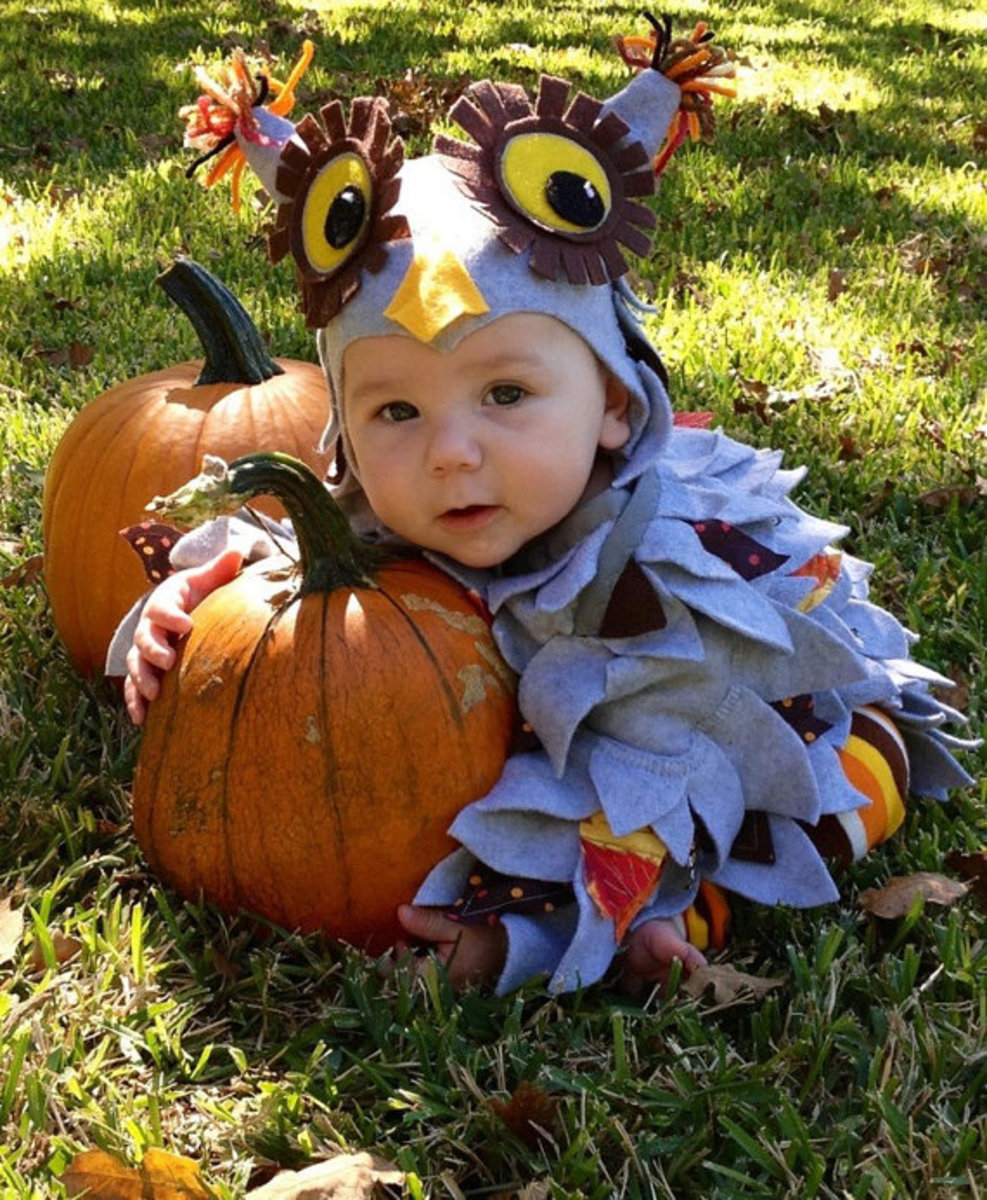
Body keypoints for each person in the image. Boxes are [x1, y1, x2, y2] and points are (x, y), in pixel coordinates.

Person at [112, 19, 976, 996]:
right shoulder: (399, 498)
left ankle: (692, 910)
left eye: (506, 395)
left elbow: (663, 767)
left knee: (829, 785)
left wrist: (535, 926)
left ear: (611, 403)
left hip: (746, 699)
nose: (450, 452)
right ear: (347, 434)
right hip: (623, 719)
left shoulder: (642, 577)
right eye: (395, 409)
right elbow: (277, 547)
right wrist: (179, 605)